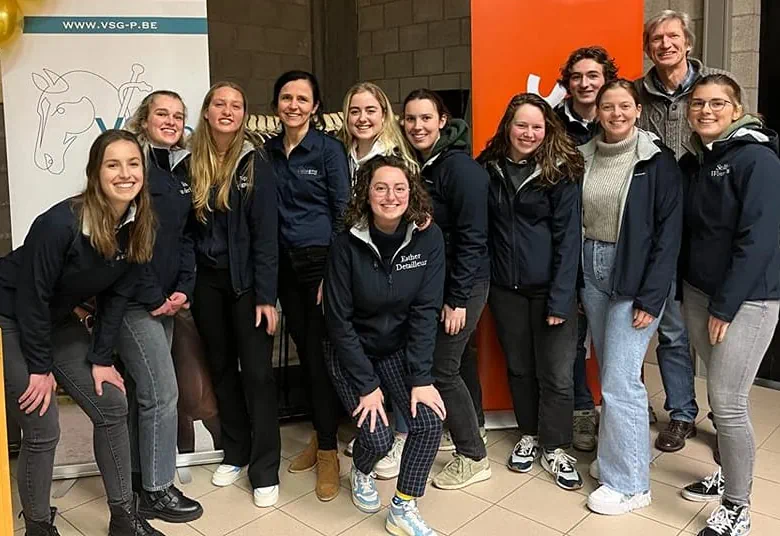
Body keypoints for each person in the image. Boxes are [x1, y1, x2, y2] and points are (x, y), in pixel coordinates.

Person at [0, 129, 165, 536]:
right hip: (12, 314)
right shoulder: (59, 223)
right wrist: (40, 368)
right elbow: (32, 297)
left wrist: (101, 358)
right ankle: (38, 526)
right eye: (113, 165)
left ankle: (124, 519)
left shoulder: (138, 223)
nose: (125, 174)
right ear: (95, 173)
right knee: (42, 425)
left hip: (55, 319)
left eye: (133, 164)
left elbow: (117, 296)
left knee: (112, 405)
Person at [678, 74, 780, 536]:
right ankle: (728, 475)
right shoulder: (700, 159)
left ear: (737, 110)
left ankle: (737, 507)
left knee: (729, 402)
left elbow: (758, 239)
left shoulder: (756, 159)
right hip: (701, 294)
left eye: (718, 103)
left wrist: (725, 305)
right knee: (718, 399)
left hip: (746, 300)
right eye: (698, 103)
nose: (706, 110)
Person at [324, 154, 445, 536]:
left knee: (429, 420)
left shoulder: (428, 239)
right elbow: (338, 321)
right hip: (350, 351)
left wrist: (421, 378)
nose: (390, 196)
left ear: (412, 193)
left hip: (396, 349)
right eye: (380, 188)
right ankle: (361, 471)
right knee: (377, 438)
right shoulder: (346, 243)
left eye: (399, 188)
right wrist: (367, 385)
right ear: (366, 193)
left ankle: (403, 507)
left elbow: (426, 311)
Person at [578, 79, 682, 515]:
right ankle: (617, 458)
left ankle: (631, 485)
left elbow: (668, 235)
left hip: (634, 279)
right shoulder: (584, 155)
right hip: (592, 270)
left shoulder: (657, 161)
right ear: (597, 112)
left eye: (624, 106)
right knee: (611, 374)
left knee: (621, 382)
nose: (616, 114)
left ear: (638, 110)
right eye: (608, 107)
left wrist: (650, 298)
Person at [635, 9, 734, 451]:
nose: (665, 45)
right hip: (658, 223)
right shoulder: (636, 94)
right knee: (672, 329)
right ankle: (681, 414)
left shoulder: (713, 86)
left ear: (687, 42)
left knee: (715, 330)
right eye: (656, 38)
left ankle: (726, 415)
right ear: (648, 47)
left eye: (673, 36)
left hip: (706, 220)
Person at [477, 93, 583, 491]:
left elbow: (568, 240)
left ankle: (555, 446)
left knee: (556, 374)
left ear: (547, 129)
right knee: (520, 368)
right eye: (521, 125)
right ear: (508, 126)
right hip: (506, 290)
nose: (529, 133)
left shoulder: (560, 170)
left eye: (537, 126)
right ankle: (530, 434)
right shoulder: (488, 168)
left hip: (550, 291)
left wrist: (561, 298)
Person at [188, 81, 281, 508]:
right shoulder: (190, 162)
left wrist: (266, 296)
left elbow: (266, 236)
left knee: (258, 375)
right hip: (207, 284)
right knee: (221, 368)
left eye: (236, 105)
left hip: (248, 287)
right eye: (219, 104)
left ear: (244, 115)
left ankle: (265, 469)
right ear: (207, 112)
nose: (227, 111)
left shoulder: (255, 162)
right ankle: (236, 451)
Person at [265, 70, 349, 502]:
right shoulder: (267, 152)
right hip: (283, 266)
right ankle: (322, 434)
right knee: (306, 351)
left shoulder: (329, 150)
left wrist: (332, 274)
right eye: (286, 98)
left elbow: (343, 213)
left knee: (320, 357)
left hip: (320, 265)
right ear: (276, 105)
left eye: (302, 99)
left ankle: (329, 451)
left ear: (315, 107)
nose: (293, 105)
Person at [402, 89, 492, 490]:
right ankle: (474, 427)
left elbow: (473, 238)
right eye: (410, 119)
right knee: (461, 359)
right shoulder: (422, 165)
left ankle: (473, 456)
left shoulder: (459, 169)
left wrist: (457, 299)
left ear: (442, 121)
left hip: (465, 284)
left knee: (442, 367)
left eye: (426, 118)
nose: (417, 126)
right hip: (440, 282)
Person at [122, 90, 203, 522]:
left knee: (145, 395)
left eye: (178, 115)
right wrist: (154, 294)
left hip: (168, 301)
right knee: (162, 394)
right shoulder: (133, 166)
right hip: (135, 302)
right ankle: (157, 490)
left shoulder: (181, 168)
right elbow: (126, 238)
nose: (171, 121)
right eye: (162, 114)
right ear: (144, 120)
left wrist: (183, 289)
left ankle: (138, 483)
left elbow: (186, 234)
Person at [337, 81, 419, 479]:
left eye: (371, 110)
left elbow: (412, 212)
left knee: (396, 350)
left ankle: (400, 436)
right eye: (355, 111)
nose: (362, 118)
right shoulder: (343, 154)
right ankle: (376, 429)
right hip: (355, 261)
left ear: (384, 115)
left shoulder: (395, 158)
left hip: (390, 265)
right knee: (368, 347)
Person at [555, 45, 619, 453]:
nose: (584, 83)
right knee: (574, 336)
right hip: (567, 245)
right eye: (577, 76)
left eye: (593, 75)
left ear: (606, 79)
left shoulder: (617, 121)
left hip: (610, 247)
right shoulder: (552, 124)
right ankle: (581, 408)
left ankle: (617, 412)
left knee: (617, 336)